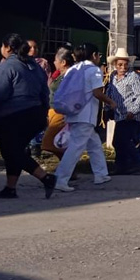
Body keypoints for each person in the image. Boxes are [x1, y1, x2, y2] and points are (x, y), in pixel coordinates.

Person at [0, 34, 56, 199]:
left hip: (14, 116)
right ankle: (10, 188)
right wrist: (43, 111)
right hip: (36, 114)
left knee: (11, 151)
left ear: (7, 47)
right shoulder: (34, 66)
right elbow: (45, 91)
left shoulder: (7, 67)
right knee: (15, 150)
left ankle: (46, 178)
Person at [52, 43, 115, 192]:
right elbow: (97, 93)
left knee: (94, 144)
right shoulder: (94, 71)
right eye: (98, 55)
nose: (99, 58)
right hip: (86, 114)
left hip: (73, 112)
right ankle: (60, 178)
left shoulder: (73, 69)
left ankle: (101, 174)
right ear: (93, 55)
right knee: (76, 147)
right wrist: (111, 102)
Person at [105, 48, 140, 175]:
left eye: (125, 64)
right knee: (118, 142)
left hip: (130, 115)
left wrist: (133, 110)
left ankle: (138, 162)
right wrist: (107, 109)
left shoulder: (133, 77)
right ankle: (122, 166)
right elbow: (110, 93)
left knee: (122, 140)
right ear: (115, 65)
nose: (123, 67)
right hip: (119, 114)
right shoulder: (112, 77)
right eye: (120, 65)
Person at [39, 48, 74, 160]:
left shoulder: (68, 76)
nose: (54, 62)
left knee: (49, 142)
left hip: (61, 113)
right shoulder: (60, 75)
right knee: (56, 143)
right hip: (54, 112)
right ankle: (67, 168)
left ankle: (68, 166)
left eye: (56, 60)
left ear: (63, 62)